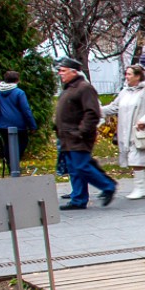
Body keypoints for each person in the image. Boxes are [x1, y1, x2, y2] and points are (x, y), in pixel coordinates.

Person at [54, 57, 116, 210]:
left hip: (78, 137)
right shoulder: (69, 89)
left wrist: (81, 131)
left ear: (74, 72)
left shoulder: (84, 88)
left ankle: (108, 186)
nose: (60, 74)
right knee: (74, 168)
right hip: (67, 137)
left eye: (63, 71)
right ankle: (78, 199)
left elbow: (92, 112)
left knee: (81, 166)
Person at [100, 64, 145, 199]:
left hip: (140, 132)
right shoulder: (124, 92)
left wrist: (144, 120)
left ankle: (140, 188)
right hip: (125, 131)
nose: (126, 77)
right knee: (141, 160)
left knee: (137, 160)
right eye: (126, 74)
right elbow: (114, 107)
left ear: (138, 76)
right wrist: (98, 110)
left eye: (129, 74)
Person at [0, 70, 38, 175]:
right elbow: (26, 110)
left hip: (1, 124)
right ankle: (14, 166)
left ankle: (11, 166)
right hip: (18, 124)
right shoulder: (19, 92)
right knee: (22, 142)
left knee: (7, 144)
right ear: (17, 80)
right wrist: (32, 126)